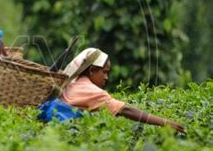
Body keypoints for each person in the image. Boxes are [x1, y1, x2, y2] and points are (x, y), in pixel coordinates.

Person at [40, 48, 185, 132]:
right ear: (91, 70)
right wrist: (166, 123)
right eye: (104, 72)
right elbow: (126, 110)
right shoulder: (89, 90)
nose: (106, 77)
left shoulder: (70, 82)